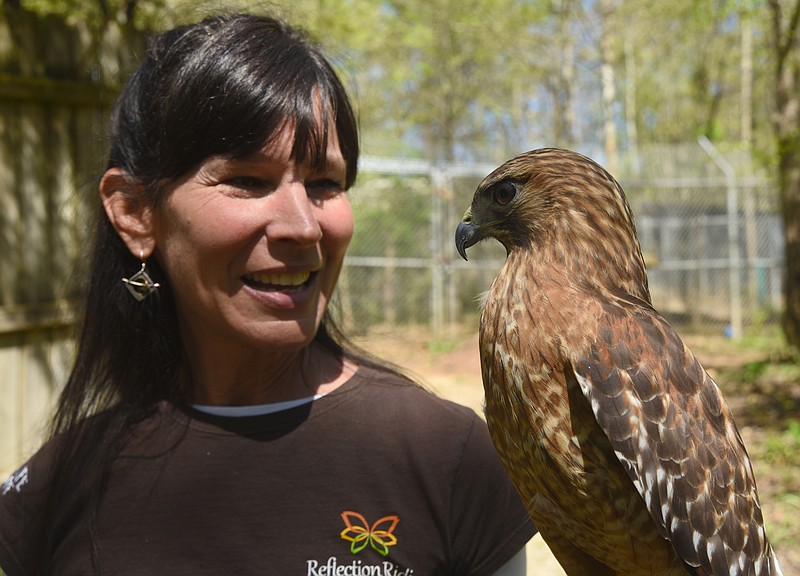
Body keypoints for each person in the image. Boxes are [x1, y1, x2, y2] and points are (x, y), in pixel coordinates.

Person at [0, 13, 535, 576]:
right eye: (248, 181)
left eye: (325, 183)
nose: (303, 226)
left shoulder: (446, 458)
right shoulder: (57, 489)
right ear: (136, 214)